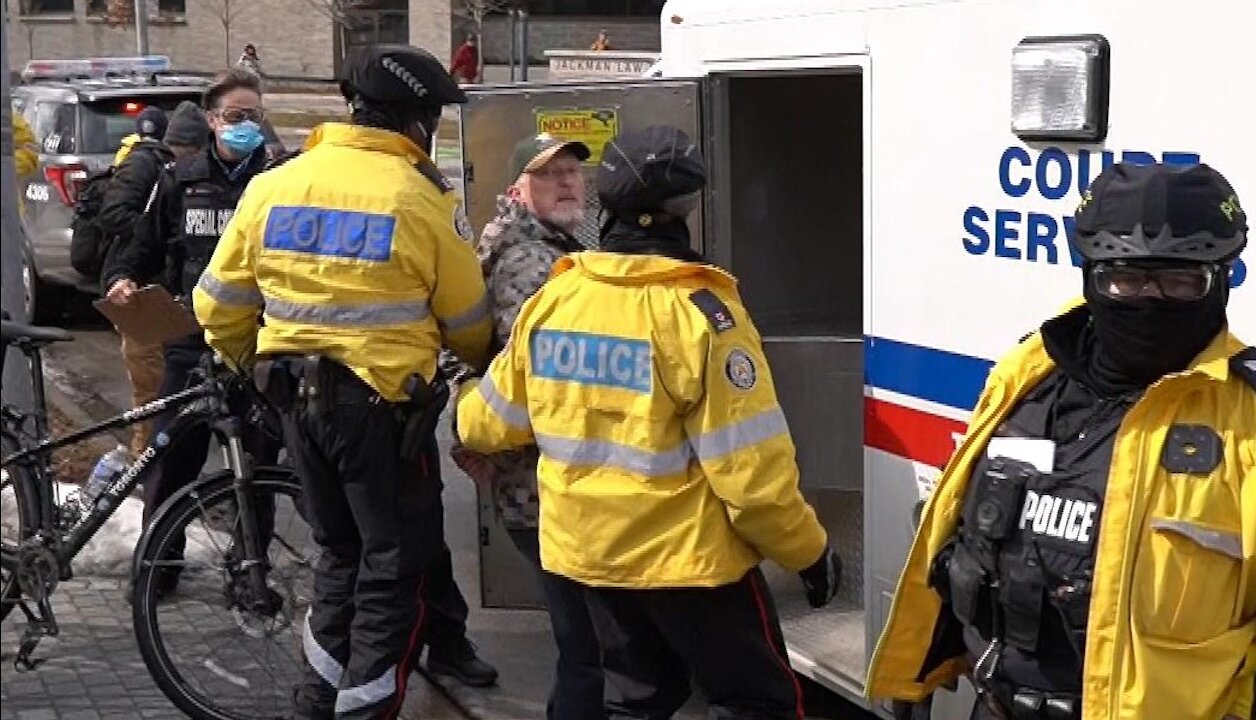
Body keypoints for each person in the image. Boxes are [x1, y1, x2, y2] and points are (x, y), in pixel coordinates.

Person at [455, 125, 844, 719]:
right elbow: (752, 478)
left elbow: (488, 423)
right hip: (686, 562)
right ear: (685, 209)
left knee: (636, 699)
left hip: (588, 554)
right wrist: (809, 552)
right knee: (758, 701)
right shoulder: (701, 315)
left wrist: (457, 395)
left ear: (605, 203)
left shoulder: (557, 301)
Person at [866, 163, 1256, 720]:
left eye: (1181, 281)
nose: (1150, 298)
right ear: (1092, 276)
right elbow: (959, 527)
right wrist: (915, 675)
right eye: (1126, 278)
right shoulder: (1027, 376)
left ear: (1221, 280)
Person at [193, 44, 498, 719]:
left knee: (338, 562)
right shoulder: (418, 198)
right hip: (381, 416)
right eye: (432, 118)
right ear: (412, 121)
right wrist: (477, 362)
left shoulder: (273, 185)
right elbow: (470, 320)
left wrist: (254, 368)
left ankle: (314, 705)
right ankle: (361, 713)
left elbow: (216, 304)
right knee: (394, 573)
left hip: (296, 404)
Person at [446, 132, 603, 719]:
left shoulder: (543, 246)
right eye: (549, 173)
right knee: (589, 648)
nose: (567, 182)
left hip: (538, 482)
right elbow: (533, 385)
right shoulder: (530, 264)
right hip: (539, 486)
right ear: (518, 189)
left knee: (585, 644)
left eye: (572, 171)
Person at [102, 68, 279, 582]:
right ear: (211, 120)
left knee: (257, 464)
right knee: (173, 457)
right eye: (234, 116)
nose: (245, 125)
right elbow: (143, 245)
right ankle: (161, 566)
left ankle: (251, 569)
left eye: (254, 116)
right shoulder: (180, 179)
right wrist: (122, 278)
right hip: (191, 342)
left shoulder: (275, 183)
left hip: (256, 346)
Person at [97, 102, 206, 457]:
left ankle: (156, 459)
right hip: (139, 293)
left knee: (175, 388)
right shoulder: (146, 165)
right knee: (152, 389)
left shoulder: (192, 173)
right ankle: (144, 464)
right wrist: (163, 235)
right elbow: (113, 214)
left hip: (168, 295)